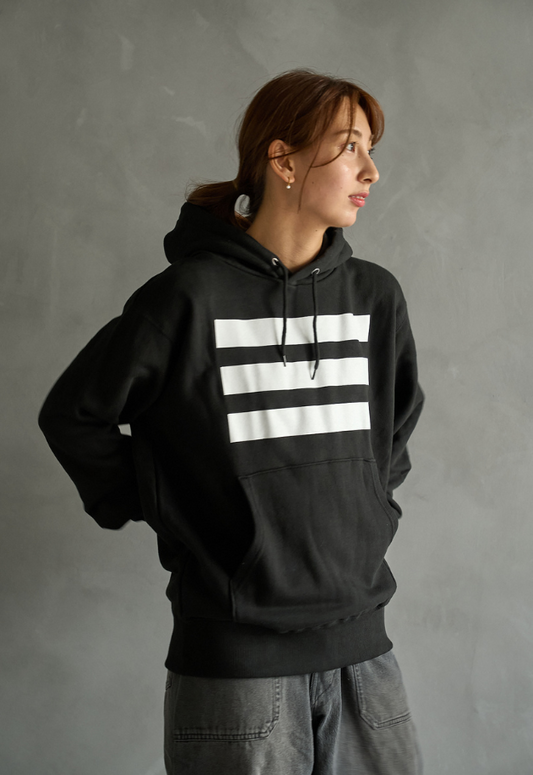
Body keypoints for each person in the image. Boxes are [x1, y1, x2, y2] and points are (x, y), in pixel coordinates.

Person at [39, 69, 424, 774]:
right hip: (235, 671)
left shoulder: (374, 296)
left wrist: (368, 509)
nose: (371, 170)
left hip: (364, 657)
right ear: (283, 161)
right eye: (349, 147)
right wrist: (164, 503)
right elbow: (75, 415)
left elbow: (393, 432)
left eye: (371, 149)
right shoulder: (189, 297)